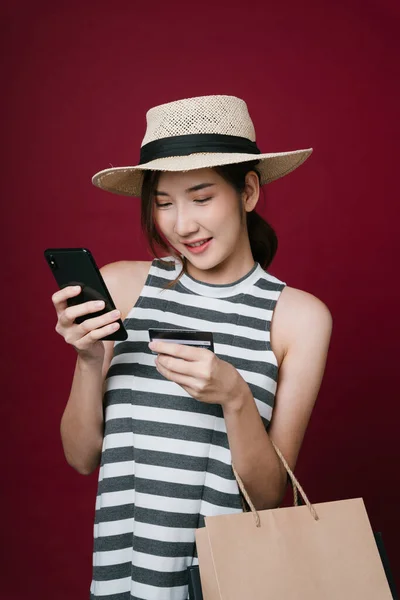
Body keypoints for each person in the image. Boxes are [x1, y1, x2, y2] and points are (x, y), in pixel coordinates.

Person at [51, 95, 332, 600]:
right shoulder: (123, 290)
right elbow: (80, 457)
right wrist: (88, 360)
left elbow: (271, 499)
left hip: (232, 584)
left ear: (248, 191)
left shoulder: (299, 318)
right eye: (163, 202)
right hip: (124, 581)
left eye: (201, 198)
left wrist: (235, 396)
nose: (181, 225)